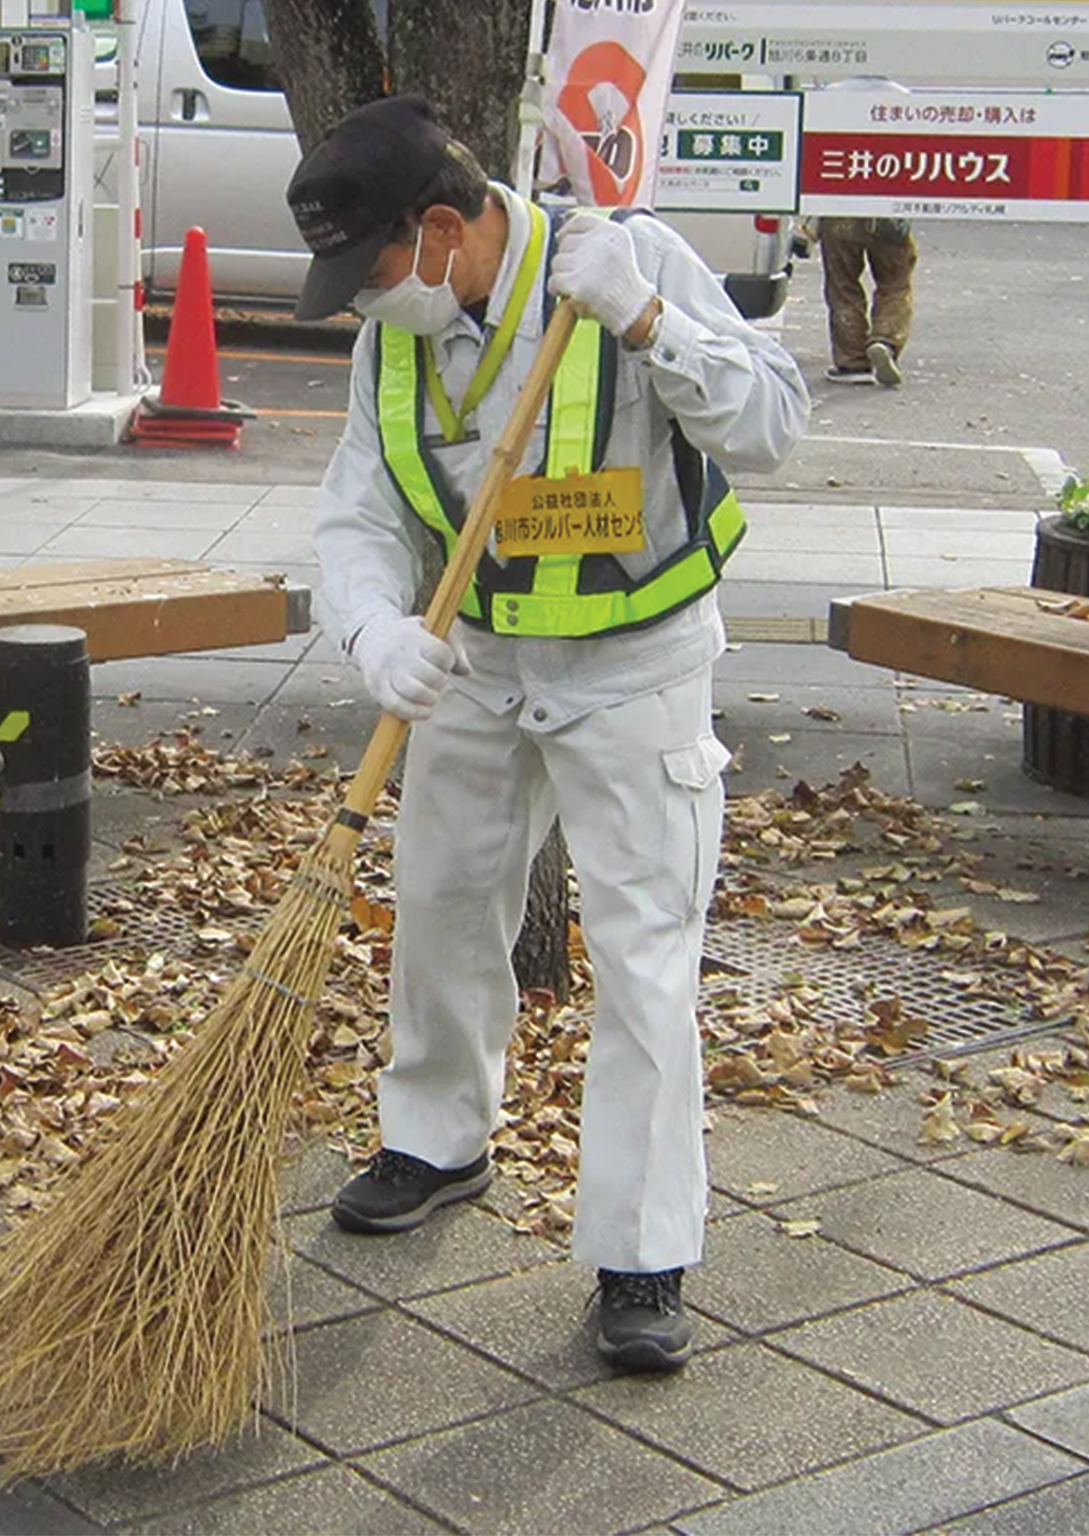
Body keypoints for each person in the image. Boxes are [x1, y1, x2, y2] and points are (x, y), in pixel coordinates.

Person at [284, 97, 807, 1372]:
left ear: (448, 228)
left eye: (373, 272)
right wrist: (368, 629)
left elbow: (773, 428)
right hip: (475, 663)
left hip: (634, 668)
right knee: (444, 902)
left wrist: (648, 318)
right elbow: (357, 512)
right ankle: (436, 1137)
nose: (363, 303)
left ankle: (640, 1249)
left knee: (641, 953)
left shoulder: (628, 263)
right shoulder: (391, 342)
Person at [817, 215, 918, 388]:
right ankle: (885, 340)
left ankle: (852, 362)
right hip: (888, 214)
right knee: (895, 285)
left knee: (842, 285)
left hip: (839, 212)